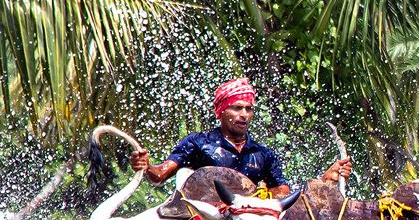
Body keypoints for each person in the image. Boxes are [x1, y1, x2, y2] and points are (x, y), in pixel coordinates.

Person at [130, 77, 351, 195]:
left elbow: (283, 191)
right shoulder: (199, 143)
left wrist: (323, 182)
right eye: (236, 108)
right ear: (221, 111)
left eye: (248, 108)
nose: (244, 114)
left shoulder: (263, 154)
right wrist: (146, 166)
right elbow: (159, 175)